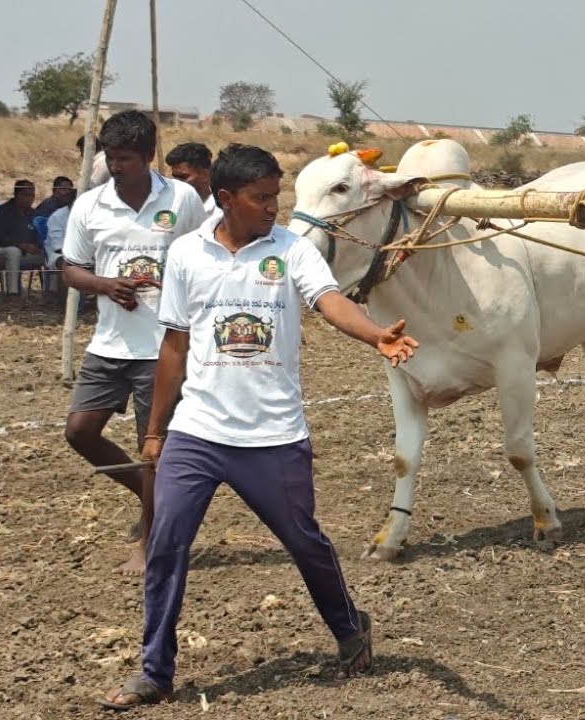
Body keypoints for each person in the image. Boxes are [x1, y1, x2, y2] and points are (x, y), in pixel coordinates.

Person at [98, 143, 419, 710]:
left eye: (276, 196)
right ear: (226, 198)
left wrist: (375, 335)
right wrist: (155, 431)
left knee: (304, 542)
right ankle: (154, 671)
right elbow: (174, 345)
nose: (274, 207)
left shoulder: (292, 250)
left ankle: (350, 627)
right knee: (166, 544)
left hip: (273, 435)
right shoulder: (187, 253)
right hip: (197, 432)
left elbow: (330, 301)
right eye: (261, 197)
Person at [61, 110, 209, 575]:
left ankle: (147, 544)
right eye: (111, 156)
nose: (116, 165)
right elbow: (71, 268)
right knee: (79, 432)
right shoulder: (90, 205)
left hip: (163, 348)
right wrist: (105, 285)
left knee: (154, 449)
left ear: (148, 156)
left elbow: (203, 257)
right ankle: (150, 495)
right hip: (109, 344)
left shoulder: (181, 198)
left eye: (125, 157)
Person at [0, 179, 44, 295]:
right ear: (17, 195)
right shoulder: (3, 211)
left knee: (51, 254)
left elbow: (38, 235)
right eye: (26, 195)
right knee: (13, 251)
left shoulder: (33, 214)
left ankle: (52, 292)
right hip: (2, 249)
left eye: (32, 195)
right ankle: (13, 293)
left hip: (27, 253)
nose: (30, 198)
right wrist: (20, 245)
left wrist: (37, 246)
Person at [164, 142, 215, 214]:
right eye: (175, 177)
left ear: (205, 175)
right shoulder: (170, 207)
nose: (177, 183)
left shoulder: (222, 211)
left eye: (183, 177)